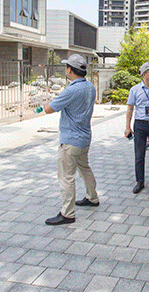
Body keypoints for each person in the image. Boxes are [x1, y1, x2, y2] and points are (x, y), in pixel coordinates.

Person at [42, 54, 99, 226]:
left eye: (66, 67)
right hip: (84, 138)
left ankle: (67, 213)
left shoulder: (71, 90)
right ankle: (92, 197)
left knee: (66, 177)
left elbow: (49, 109)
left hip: (70, 141)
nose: (65, 70)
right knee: (85, 168)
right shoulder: (90, 87)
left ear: (70, 70)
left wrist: (46, 102)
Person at [125, 61, 149, 194]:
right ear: (144, 74)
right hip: (140, 125)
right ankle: (140, 181)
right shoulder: (134, 90)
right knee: (139, 154)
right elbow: (130, 109)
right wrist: (127, 127)